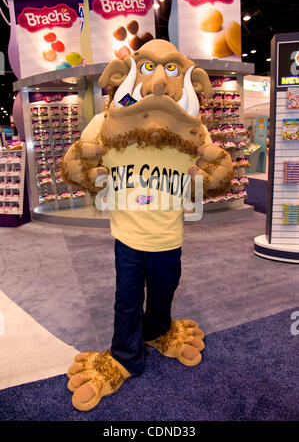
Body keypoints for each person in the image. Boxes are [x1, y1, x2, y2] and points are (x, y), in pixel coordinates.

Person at [61, 39, 233, 411]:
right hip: (127, 235)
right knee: (126, 300)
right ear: (129, 76)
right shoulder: (105, 124)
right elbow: (76, 168)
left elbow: (215, 177)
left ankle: (156, 331)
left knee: (163, 290)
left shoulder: (192, 131)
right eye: (148, 68)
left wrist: (216, 164)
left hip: (169, 235)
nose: (158, 83)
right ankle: (125, 355)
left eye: (170, 69)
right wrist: (81, 160)